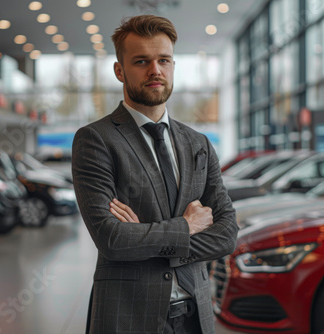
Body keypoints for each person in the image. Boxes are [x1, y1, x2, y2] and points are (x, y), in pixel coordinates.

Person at [72, 14, 238, 334]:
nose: (155, 70)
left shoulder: (198, 143)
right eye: (141, 61)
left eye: (164, 60)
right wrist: (187, 227)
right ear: (120, 70)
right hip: (129, 317)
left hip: (196, 317)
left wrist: (145, 238)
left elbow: (227, 234)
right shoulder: (96, 139)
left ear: (173, 65)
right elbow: (113, 240)